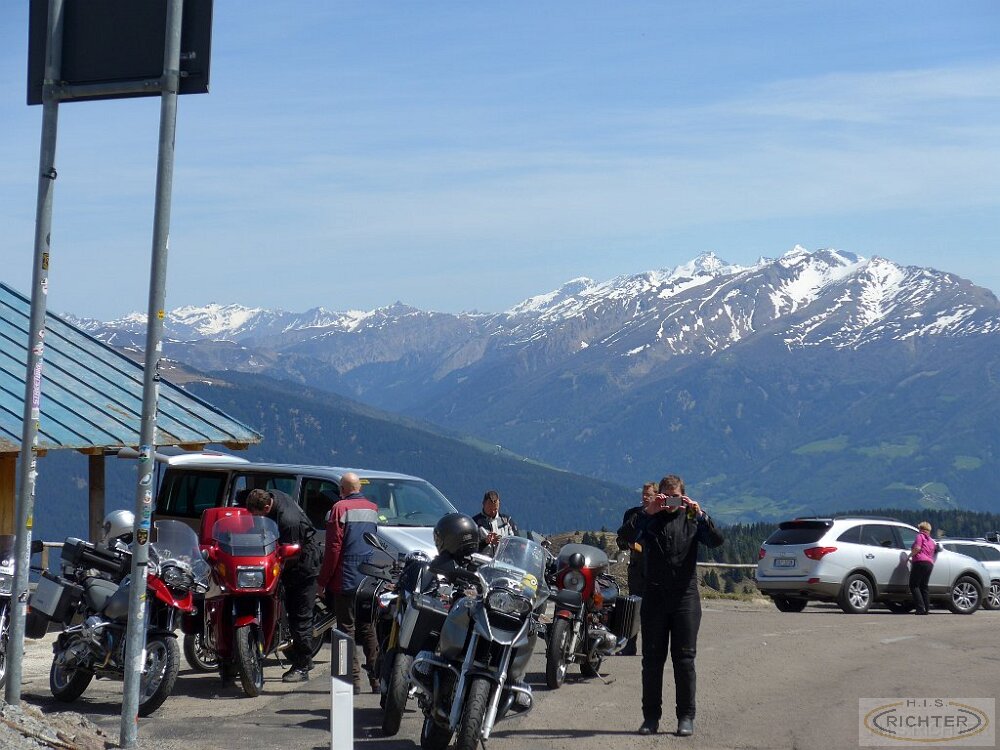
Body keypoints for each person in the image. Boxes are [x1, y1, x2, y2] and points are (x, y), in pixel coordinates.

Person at [636, 474, 723, 738]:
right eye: (666, 496)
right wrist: (650, 512)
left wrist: (701, 515)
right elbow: (629, 537)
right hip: (655, 597)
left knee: (684, 661)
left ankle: (686, 716)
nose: (671, 502)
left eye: (676, 496)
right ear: (659, 495)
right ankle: (651, 717)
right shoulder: (650, 519)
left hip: (685, 598)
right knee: (652, 661)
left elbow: (715, 541)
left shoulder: (690, 517)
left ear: (683, 496)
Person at [246, 488, 323, 682]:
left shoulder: (288, 521)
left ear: (266, 507)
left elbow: (291, 555)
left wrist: (274, 571)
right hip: (293, 561)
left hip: (303, 565)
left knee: (299, 617)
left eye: (257, 515)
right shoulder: (272, 494)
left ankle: (303, 666)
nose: (255, 519)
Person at [317, 472, 380, 694]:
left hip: (345, 576)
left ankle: (351, 681)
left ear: (342, 489)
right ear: (359, 487)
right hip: (367, 577)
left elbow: (333, 548)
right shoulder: (372, 509)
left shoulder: (339, 508)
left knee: (346, 629)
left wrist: (323, 580)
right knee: (368, 627)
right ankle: (377, 679)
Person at [616, 482, 657, 655]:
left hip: (656, 569)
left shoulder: (662, 515)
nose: (645, 497)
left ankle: (652, 646)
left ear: (657, 496)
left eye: (649, 495)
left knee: (654, 609)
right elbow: (621, 540)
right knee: (633, 607)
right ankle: (630, 645)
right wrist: (631, 545)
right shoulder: (632, 514)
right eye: (644, 494)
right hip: (637, 567)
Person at [908, 521, 936, 615]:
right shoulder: (931, 541)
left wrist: (910, 556)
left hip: (919, 562)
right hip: (929, 564)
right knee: (924, 586)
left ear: (921, 529)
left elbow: (917, 548)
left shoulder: (920, 536)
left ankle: (920, 608)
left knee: (914, 585)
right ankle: (927, 608)